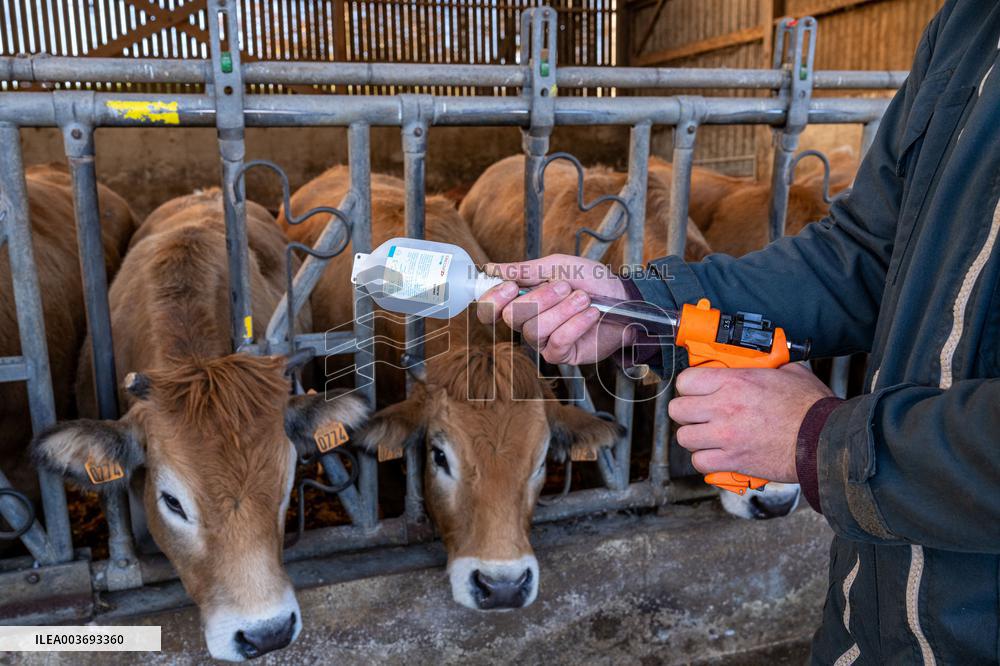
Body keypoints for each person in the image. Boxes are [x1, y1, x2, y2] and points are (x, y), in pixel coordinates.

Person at [478, 1, 1000, 662]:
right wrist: (639, 302)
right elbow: (865, 255)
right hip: (871, 618)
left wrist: (820, 440)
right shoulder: (970, 24)